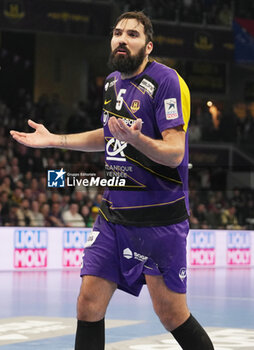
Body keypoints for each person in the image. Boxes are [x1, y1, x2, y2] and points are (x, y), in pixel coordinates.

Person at [10, 11, 214, 350]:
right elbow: (108, 135)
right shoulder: (111, 83)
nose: (122, 38)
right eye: (117, 33)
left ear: (148, 46)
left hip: (159, 217)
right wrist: (55, 139)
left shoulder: (166, 81)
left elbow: (175, 153)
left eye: (132, 34)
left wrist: (138, 141)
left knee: (171, 313)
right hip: (113, 213)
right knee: (88, 304)